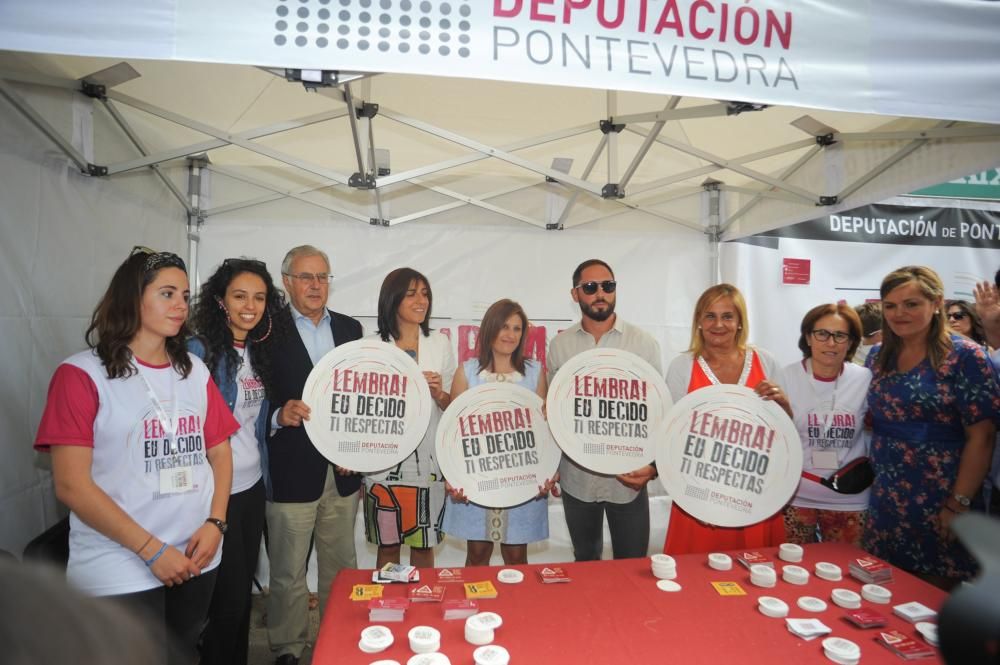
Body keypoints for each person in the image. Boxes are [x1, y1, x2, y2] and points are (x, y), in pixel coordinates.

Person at [34, 247, 237, 665]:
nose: (180, 304)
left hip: (195, 554)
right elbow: (72, 484)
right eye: (167, 293)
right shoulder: (81, 375)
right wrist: (151, 550)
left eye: (184, 295)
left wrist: (217, 522)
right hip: (120, 564)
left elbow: (219, 452)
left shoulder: (193, 371)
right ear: (132, 297)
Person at [865, 265, 999, 590]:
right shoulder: (877, 356)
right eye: (891, 305)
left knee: (929, 600)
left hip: (942, 495)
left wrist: (958, 504)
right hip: (886, 493)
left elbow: (981, 437)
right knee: (881, 593)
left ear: (936, 302)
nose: (899, 313)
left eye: (911, 304)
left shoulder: (966, 356)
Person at [265, 245, 363, 665]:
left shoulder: (351, 329)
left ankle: (341, 639)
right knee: (288, 570)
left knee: (341, 565)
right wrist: (277, 414)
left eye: (322, 277)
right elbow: (257, 395)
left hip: (341, 471)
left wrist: (356, 448)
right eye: (306, 277)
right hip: (291, 467)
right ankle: (287, 647)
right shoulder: (266, 331)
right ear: (286, 281)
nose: (315, 285)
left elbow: (362, 397)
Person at [188, 258, 284, 665]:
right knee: (223, 605)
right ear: (220, 300)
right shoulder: (200, 351)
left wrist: (281, 416)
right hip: (215, 494)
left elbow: (252, 424)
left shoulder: (256, 352)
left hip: (252, 487)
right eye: (240, 296)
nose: (251, 305)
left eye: (259, 297)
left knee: (240, 599)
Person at [547, 259, 662, 561]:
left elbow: (657, 413)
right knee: (585, 561)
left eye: (608, 286)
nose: (601, 293)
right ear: (576, 295)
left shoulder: (643, 344)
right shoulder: (559, 347)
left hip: (628, 479)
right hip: (577, 479)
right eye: (590, 287)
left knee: (632, 563)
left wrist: (652, 467)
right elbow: (555, 411)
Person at [664, 283, 790, 555]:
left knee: (756, 579)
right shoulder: (682, 366)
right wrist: (693, 498)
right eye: (710, 315)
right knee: (695, 578)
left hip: (753, 489)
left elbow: (783, 433)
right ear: (698, 321)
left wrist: (784, 404)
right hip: (698, 490)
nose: (718, 324)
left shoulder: (765, 361)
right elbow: (671, 437)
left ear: (740, 322)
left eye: (727, 316)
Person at [441, 299, 555, 566]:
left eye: (517, 329)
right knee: (478, 553)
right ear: (490, 328)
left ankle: (517, 609)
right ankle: (477, 607)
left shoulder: (534, 372)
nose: (510, 335)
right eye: (504, 326)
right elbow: (453, 434)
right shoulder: (467, 372)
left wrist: (547, 473)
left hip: (521, 476)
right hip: (477, 477)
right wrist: (454, 478)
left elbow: (543, 432)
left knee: (516, 556)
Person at [363, 267, 456, 569]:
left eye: (425, 293)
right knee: (388, 546)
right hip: (383, 462)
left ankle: (423, 608)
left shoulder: (439, 343)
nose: (421, 300)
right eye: (412, 293)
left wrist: (438, 393)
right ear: (393, 299)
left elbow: (453, 405)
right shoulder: (372, 344)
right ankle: (386, 613)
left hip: (428, 462)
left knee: (423, 546)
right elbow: (363, 406)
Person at [782, 303, 872, 546]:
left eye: (840, 335)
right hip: (795, 498)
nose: (830, 343)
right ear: (808, 338)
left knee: (846, 574)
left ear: (851, 342)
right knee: (793, 573)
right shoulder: (784, 377)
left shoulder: (865, 379)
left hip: (849, 500)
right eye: (821, 334)